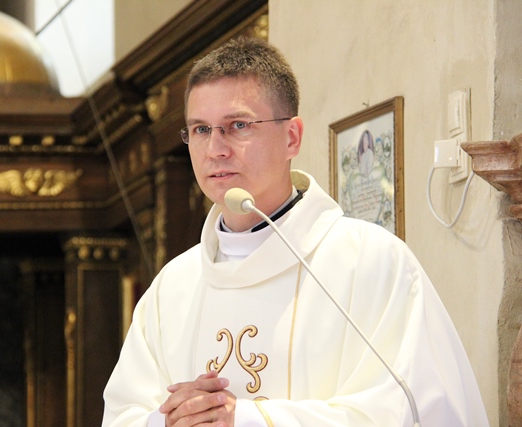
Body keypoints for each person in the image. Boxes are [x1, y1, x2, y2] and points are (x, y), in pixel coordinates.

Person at [102, 36, 488, 427]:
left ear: (292, 137)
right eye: (201, 129)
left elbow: (418, 410)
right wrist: (170, 421)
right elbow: (121, 416)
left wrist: (247, 420)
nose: (215, 149)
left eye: (238, 125)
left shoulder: (372, 264)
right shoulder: (172, 289)